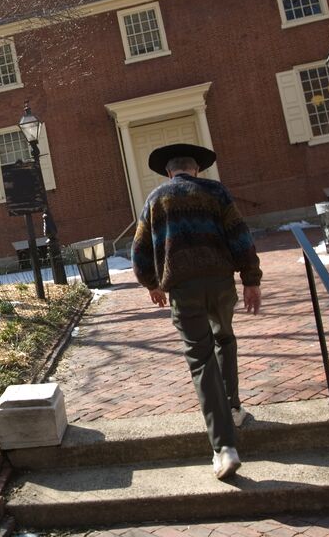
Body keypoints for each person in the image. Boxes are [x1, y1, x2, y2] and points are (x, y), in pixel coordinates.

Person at [130, 143, 262, 480]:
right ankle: (232, 406)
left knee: (201, 360)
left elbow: (140, 249)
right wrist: (251, 280)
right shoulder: (216, 192)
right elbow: (240, 236)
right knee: (225, 338)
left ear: (169, 172)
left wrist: (152, 283)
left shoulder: (156, 199)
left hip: (183, 289)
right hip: (220, 283)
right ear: (196, 169)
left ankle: (224, 447)